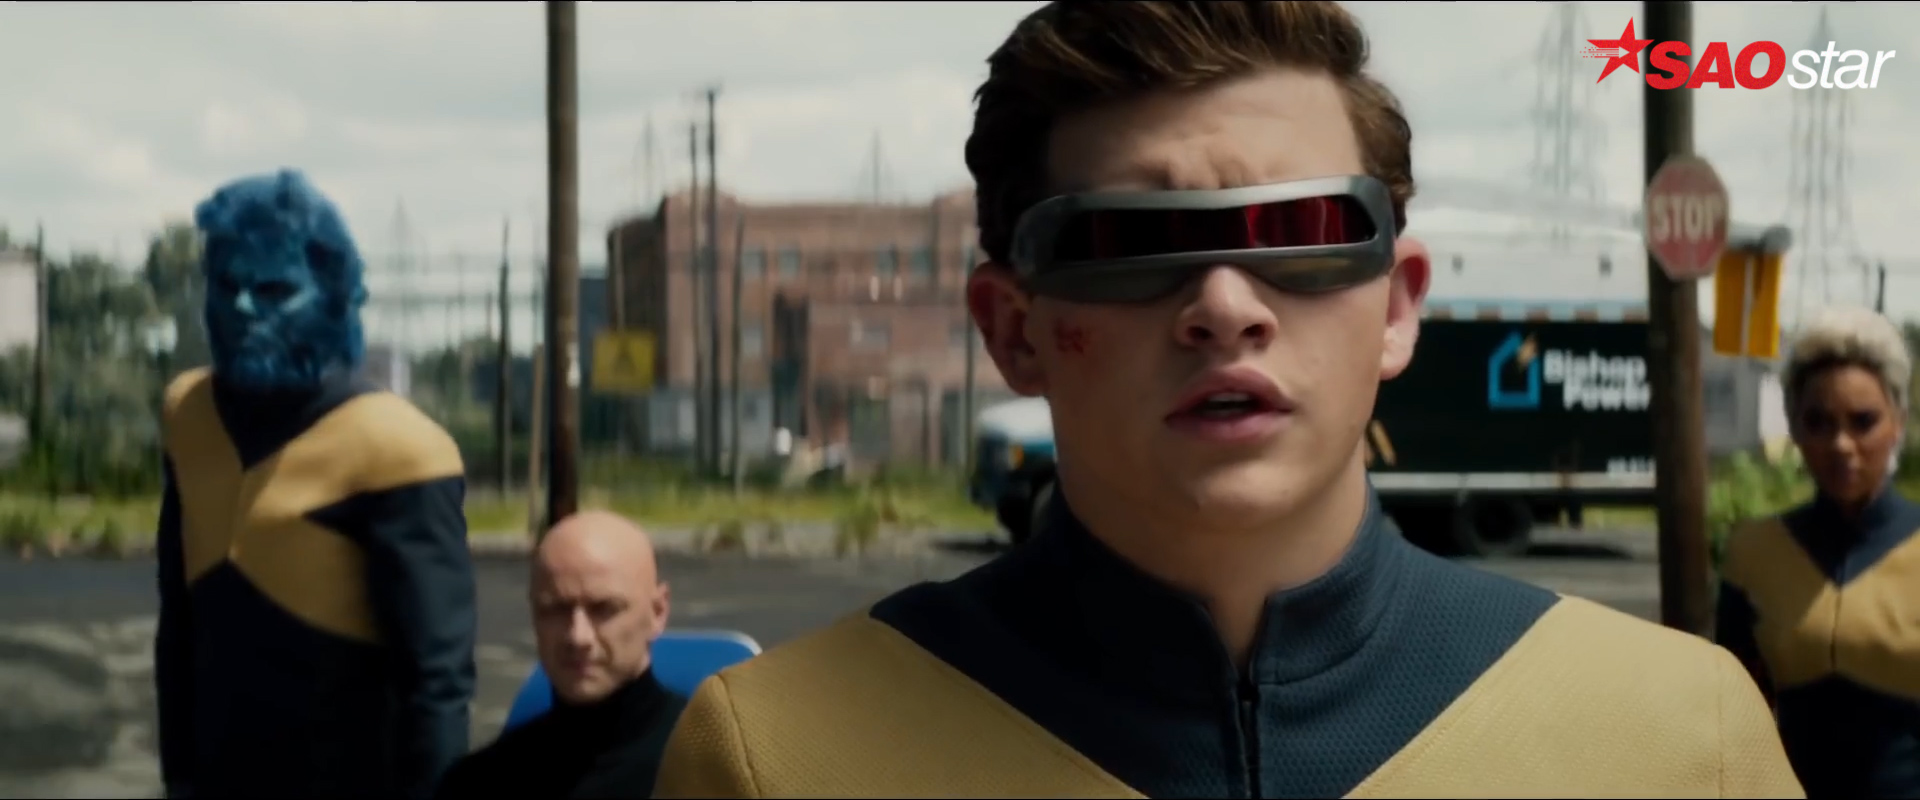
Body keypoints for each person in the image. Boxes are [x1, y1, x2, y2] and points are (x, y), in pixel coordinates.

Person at [653, 3, 1804, 798]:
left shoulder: (1681, 739)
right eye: (1127, 245)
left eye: (1303, 233)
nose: (1222, 305)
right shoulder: (775, 758)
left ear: (1398, 305)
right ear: (1013, 328)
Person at [154, 169, 477, 799]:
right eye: (227, 284)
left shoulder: (397, 447)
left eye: (274, 289)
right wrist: (180, 777)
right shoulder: (187, 414)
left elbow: (437, 684)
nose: (244, 307)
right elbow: (179, 627)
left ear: (332, 296)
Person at [1717, 305, 1920, 799]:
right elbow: (1727, 715)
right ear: (1794, 427)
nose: (1841, 444)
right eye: (1819, 422)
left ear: (1898, 422)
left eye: (1863, 421)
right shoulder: (1754, 555)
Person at [437, 511, 685, 799]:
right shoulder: (479, 783)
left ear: (657, 611)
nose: (578, 636)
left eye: (604, 609)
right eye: (555, 609)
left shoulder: (711, 766)